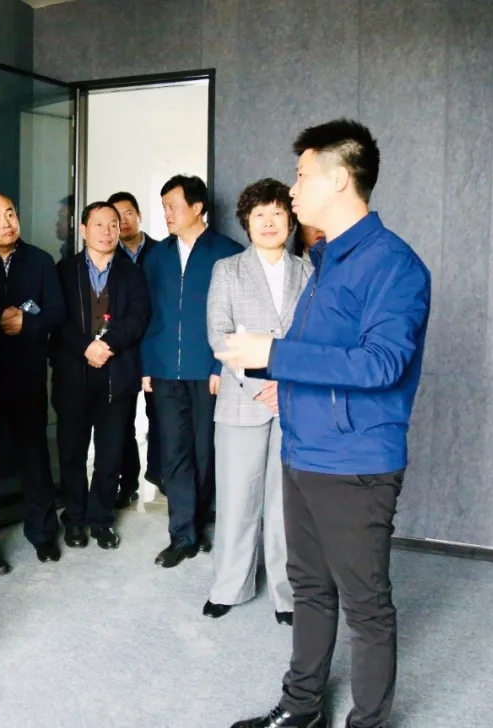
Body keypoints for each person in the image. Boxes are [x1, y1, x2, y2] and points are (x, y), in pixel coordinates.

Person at [217, 119, 431, 728]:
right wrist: (281, 380)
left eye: (302, 175)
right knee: (309, 587)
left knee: (366, 606)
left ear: (339, 180)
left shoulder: (394, 264)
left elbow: (381, 363)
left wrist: (275, 353)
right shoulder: (327, 260)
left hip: (355, 463)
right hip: (304, 451)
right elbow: (325, 355)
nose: (292, 189)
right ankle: (301, 707)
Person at [203, 179, 312, 626]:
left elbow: (316, 338)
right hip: (242, 398)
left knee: (287, 504)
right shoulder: (227, 270)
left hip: (294, 402)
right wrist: (259, 385)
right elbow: (219, 335)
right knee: (236, 498)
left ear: (291, 220)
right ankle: (230, 586)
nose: (269, 222)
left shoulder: (309, 272)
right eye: (259, 215)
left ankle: (287, 593)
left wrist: (285, 386)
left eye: (277, 213)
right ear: (247, 222)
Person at [141, 174, 243, 568]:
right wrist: (148, 365)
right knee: (174, 451)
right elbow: (147, 314)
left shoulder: (228, 253)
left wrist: (221, 364)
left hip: (207, 371)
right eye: (164, 207)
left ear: (197, 208)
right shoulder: (157, 256)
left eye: (173, 206)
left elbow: (237, 316)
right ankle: (182, 536)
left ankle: (198, 525)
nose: (166, 213)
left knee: (205, 452)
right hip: (165, 368)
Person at [0, 193, 66, 563]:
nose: (6, 222)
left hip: (28, 377)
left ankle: (43, 534)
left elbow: (57, 313)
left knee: (34, 460)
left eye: (10, 213)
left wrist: (27, 323)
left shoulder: (40, 260)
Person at [52, 201, 151, 551]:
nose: (107, 232)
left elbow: (138, 317)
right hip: (73, 375)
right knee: (72, 453)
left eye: (113, 225)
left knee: (110, 455)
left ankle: (102, 520)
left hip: (117, 376)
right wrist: (86, 347)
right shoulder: (64, 271)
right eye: (99, 224)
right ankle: (75, 519)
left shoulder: (132, 273)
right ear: (83, 230)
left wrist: (107, 345)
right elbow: (56, 319)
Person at [107, 191, 162, 507]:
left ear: (139, 215)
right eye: (116, 216)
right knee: (122, 420)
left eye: (128, 213)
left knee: (160, 415)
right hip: (123, 349)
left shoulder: (161, 252)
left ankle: (160, 475)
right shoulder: (106, 255)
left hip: (154, 347)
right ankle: (127, 483)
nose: (123, 220)